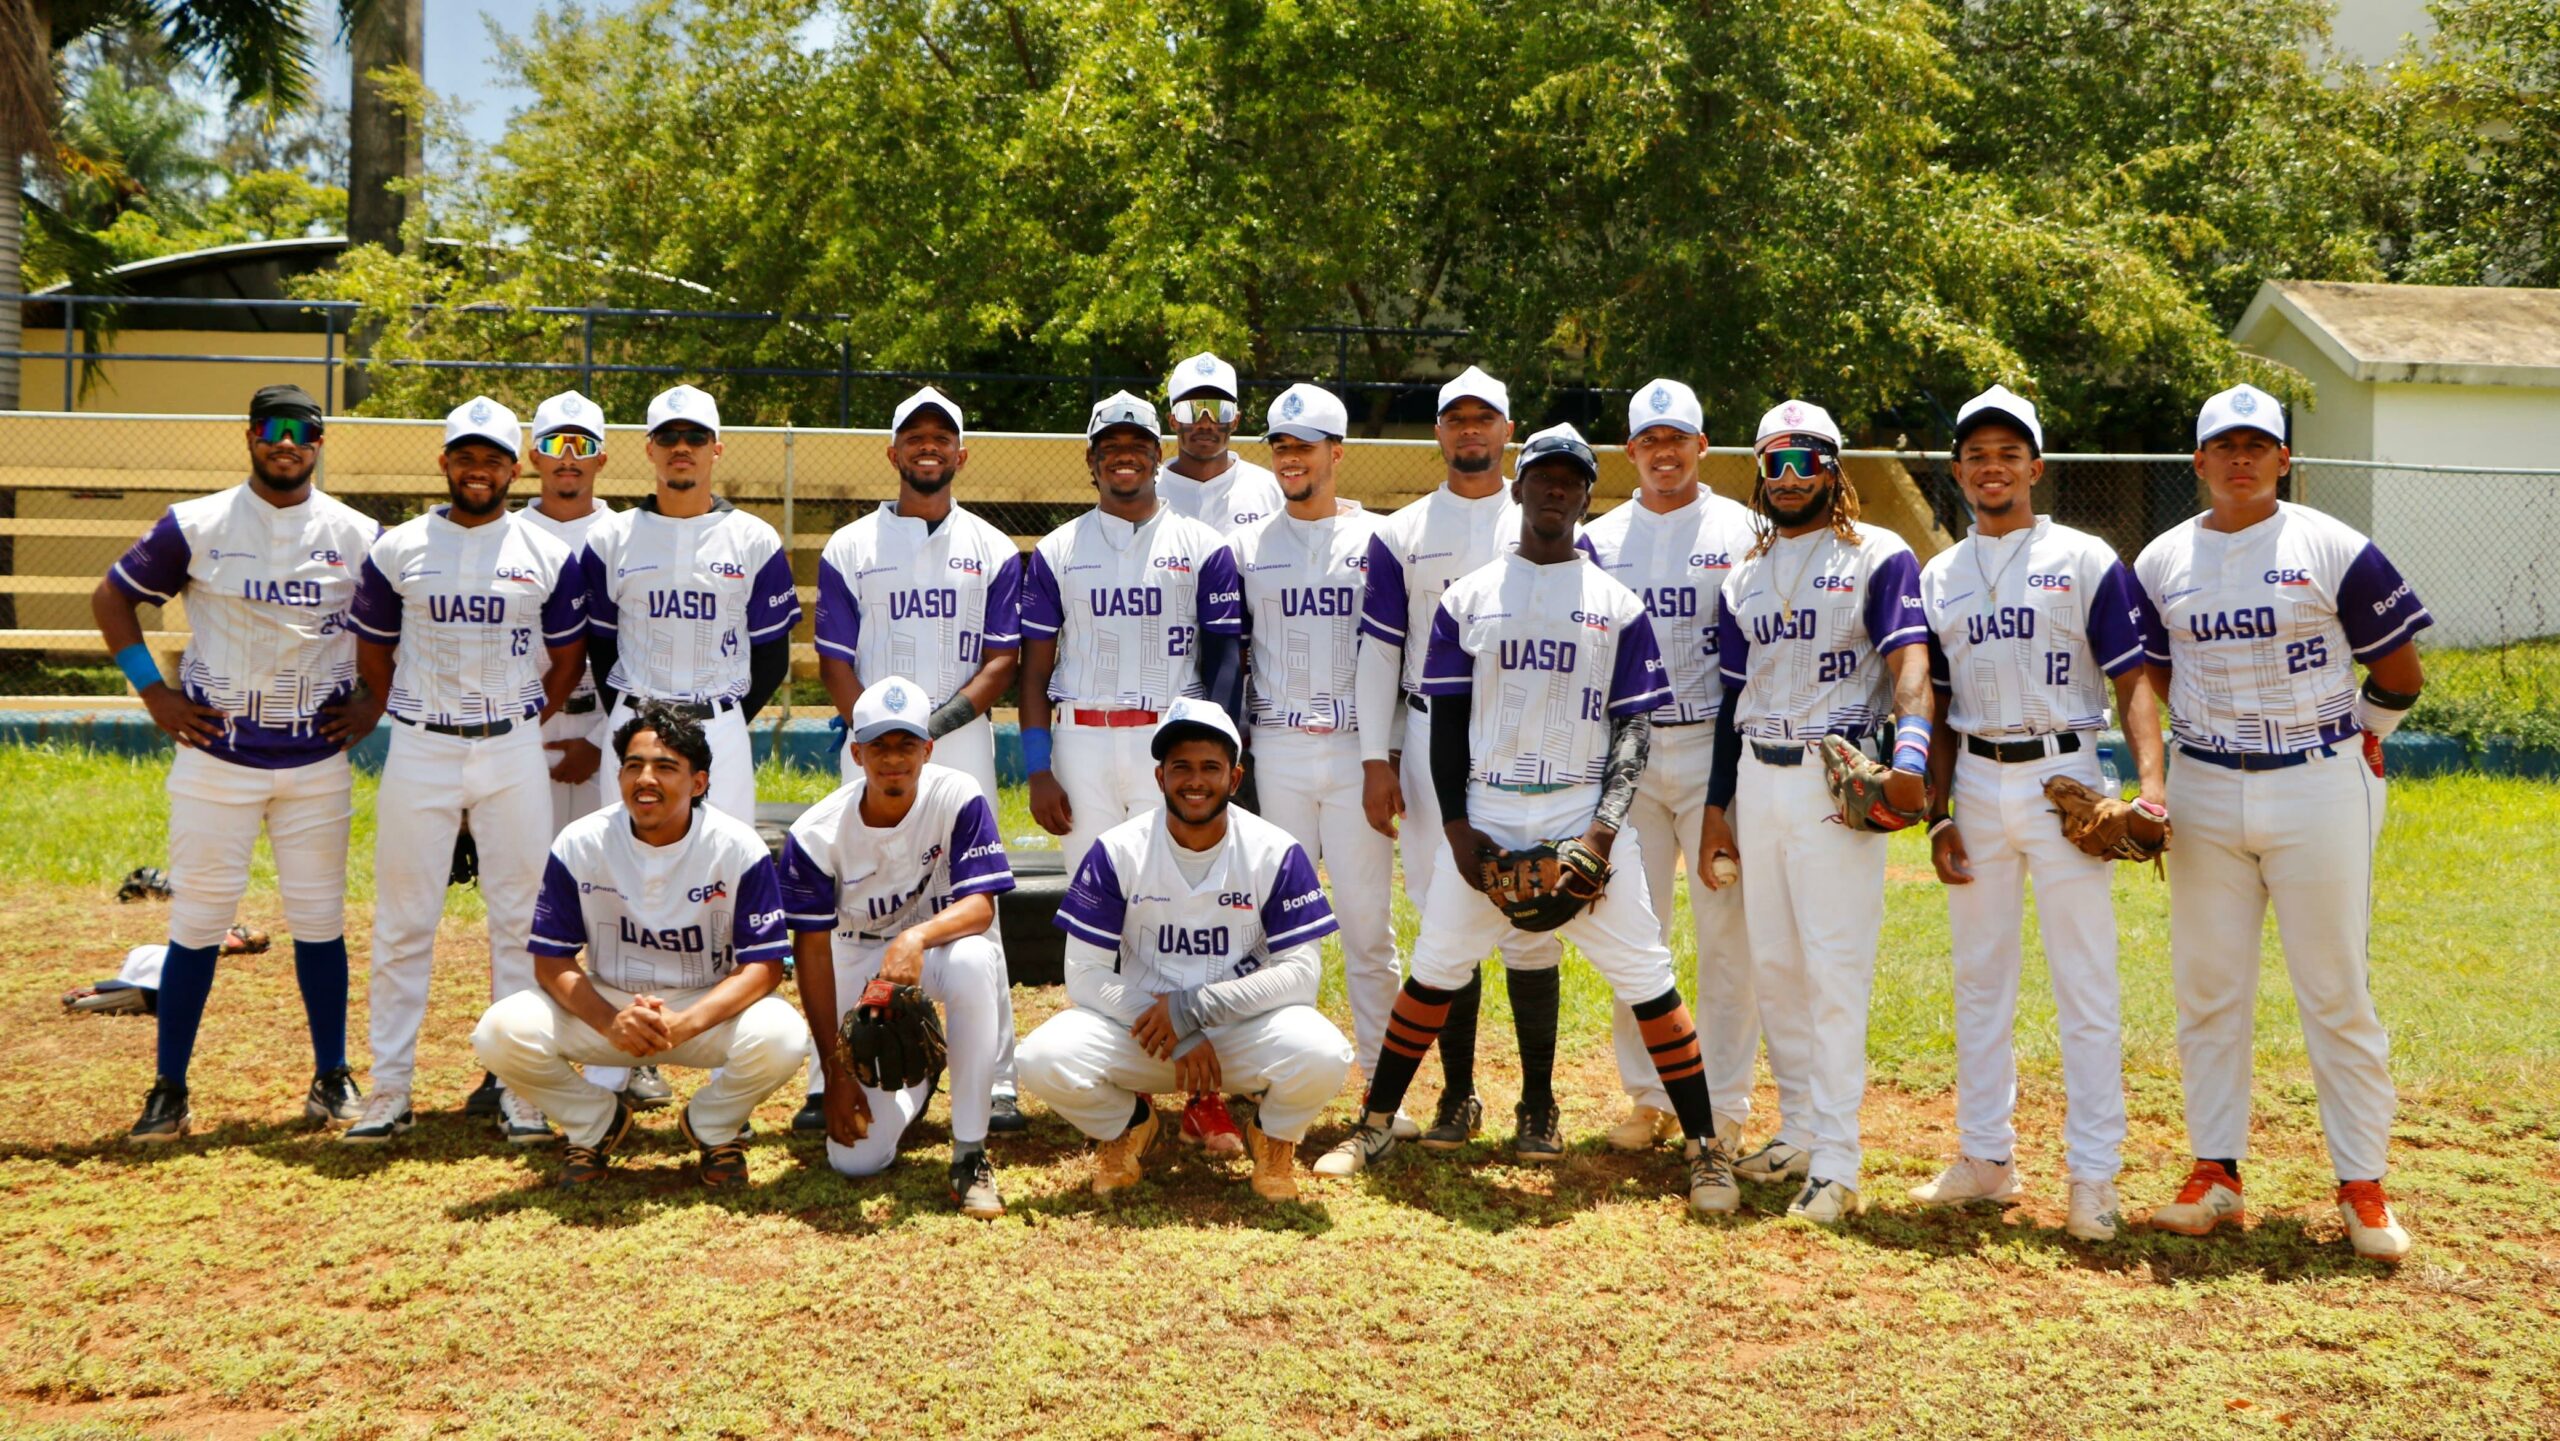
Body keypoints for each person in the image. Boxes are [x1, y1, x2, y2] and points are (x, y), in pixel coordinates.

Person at [1314, 425, 1740, 1219]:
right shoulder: (1469, 597)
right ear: (1519, 488)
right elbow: (1445, 723)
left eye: (1570, 480)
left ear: (1586, 497)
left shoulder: (1617, 604)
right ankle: (1375, 1123)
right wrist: (1457, 830)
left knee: (1647, 975)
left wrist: (1602, 833)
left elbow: (1634, 732)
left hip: (1581, 806)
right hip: (1490, 806)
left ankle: (1705, 1145)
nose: (1555, 489)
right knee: (1435, 968)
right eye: (1542, 476)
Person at [2133, 383, 2430, 1262]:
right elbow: (2149, 673)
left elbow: (2401, 672)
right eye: (2225, 446)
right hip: (2205, 782)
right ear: (2199, 461)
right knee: (2209, 986)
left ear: (2283, 459)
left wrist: (2360, 738)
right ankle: (2215, 1171)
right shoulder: (2161, 560)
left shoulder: (2331, 544)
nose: (2241, 459)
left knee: (2334, 987)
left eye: (2257, 445)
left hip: (2317, 777)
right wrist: (2171, 762)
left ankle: (2362, 1182)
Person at [92, 382, 384, 1142]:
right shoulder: (197, 523)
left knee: (320, 921)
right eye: (272, 428)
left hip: (315, 760)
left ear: (319, 443)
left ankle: (331, 1075)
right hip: (216, 757)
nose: (287, 442)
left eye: (303, 430)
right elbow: (112, 599)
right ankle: (170, 1088)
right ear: (250, 435)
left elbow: (398, 623)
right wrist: (155, 693)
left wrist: (373, 701)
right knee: (197, 922)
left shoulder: (358, 534)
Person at [1910, 385, 2165, 1241]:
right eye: (1977, 455)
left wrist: (2149, 790)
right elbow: (1937, 704)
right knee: (1980, 978)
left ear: (2036, 466)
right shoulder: (1939, 575)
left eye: (2009, 454)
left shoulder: (2085, 557)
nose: (1993, 468)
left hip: (2066, 777)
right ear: (1958, 471)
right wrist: (1938, 815)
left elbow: (2133, 679)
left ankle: (2094, 1174)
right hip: (1978, 781)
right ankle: (1987, 1157)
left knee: (2084, 983)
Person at [1697, 399, 1932, 1224]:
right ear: (1759, 472)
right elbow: (1732, 697)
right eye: (1776, 461)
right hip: (1757, 776)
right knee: (1776, 965)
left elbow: (1910, 665)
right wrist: (1717, 806)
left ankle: (1837, 1161)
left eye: (1806, 460)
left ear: (1833, 469)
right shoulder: (1743, 575)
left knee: (1834, 971)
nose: (1790, 477)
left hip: (1835, 777)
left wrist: (1910, 759)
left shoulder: (1879, 554)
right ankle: (1798, 1129)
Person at [341, 397, 590, 1146]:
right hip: (422, 746)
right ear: (445, 463)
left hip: (511, 747)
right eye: (465, 457)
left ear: (514, 470)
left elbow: (567, 658)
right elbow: (373, 650)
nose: (478, 470)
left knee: (519, 919)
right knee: (405, 919)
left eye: (493, 459)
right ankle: (390, 1087)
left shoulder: (546, 551)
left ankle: (520, 1085)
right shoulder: (398, 548)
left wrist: (523, 719)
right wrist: (413, 712)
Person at [1020, 391, 1246, 1153]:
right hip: (1082, 741)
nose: (1125, 455)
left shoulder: (1202, 543)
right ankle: (1123, 1087)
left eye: (1138, 443)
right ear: (1091, 460)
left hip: (1167, 739)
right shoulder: (1058, 549)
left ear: (1157, 454)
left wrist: (1217, 755)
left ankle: (1206, 1096)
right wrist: (1037, 766)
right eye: (1110, 445)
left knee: (1184, 913)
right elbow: (1034, 668)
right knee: (1098, 919)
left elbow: (1224, 658)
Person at [1015, 699, 1354, 1202]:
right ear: (1160, 777)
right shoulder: (1116, 850)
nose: (1195, 781)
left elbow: (1301, 973)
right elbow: (1084, 974)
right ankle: (1129, 1125)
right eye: (1181, 768)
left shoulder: (1276, 850)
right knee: (1042, 1057)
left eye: (1210, 768)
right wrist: (1174, 1029)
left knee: (1323, 1053)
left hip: (1236, 1032)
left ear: (1235, 778)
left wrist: (1193, 1008)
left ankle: (1273, 1136)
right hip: (1148, 1032)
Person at [1351, 366, 1565, 1157]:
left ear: (1509, 429)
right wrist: (1375, 758)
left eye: (1485, 417)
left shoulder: (1544, 514)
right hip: (1429, 733)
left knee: (1533, 915)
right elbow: (1381, 651)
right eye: (1456, 417)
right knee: (1448, 917)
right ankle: (1459, 1091)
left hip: (1526, 738)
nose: (1470, 429)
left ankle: (1538, 1102)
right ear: (1439, 431)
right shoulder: (1401, 530)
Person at [807, 386, 1026, 1134]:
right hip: (873, 747)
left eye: (941, 437)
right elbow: (834, 660)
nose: (927, 447)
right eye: (914, 436)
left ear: (962, 454)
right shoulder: (849, 546)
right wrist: (878, 739)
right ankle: (835, 1069)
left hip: (957, 740)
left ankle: (996, 1078)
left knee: (976, 908)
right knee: (852, 906)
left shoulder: (993, 547)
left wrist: (931, 731)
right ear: (892, 451)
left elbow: (1002, 661)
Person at [472, 703, 808, 1190]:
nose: (645, 779)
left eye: (665, 767)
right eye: (634, 766)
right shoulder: (581, 841)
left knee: (783, 1036)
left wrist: (684, 1023)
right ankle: (594, 1122)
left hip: (702, 1006)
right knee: (498, 1031)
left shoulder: (738, 846)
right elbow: (551, 960)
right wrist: (612, 1022)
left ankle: (713, 1126)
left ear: (698, 783)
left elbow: (764, 967)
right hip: (612, 1002)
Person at [1203, 382, 1409, 1132]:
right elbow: (1229, 656)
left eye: (1305, 447)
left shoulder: (1380, 540)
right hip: (1280, 750)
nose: (1291, 460)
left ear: (1337, 453)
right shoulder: (1244, 547)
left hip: (1357, 751)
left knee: (1366, 929)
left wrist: (1388, 753)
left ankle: (1385, 1092)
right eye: (1281, 448)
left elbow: (1399, 653)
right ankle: (1268, 1077)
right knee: (1267, 928)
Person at [1580, 378, 1760, 1156]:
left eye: (1677, 438)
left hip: (1716, 747)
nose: (1664, 452)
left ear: (1701, 446)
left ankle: (1723, 1104)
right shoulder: (1598, 537)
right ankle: (1649, 1095)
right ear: (1630, 450)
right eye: (1650, 440)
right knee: (1635, 927)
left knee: (1726, 934)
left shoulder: (1743, 527)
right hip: (1631, 751)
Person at [778, 678, 1017, 1217]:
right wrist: (835, 1074)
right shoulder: (815, 834)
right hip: (855, 954)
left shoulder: (958, 794)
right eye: (878, 746)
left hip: (931, 949)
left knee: (976, 958)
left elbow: (981, 907)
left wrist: (915, 937)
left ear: (927, 749)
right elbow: (812, 955)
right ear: (856, 753)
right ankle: (921, 1077)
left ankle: (970, 1151)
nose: (893, 759)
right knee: (855, 1159)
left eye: (906, 744)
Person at [515, 390, 672, 1114]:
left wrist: (597, 737)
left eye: (583, 445)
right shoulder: (509, 533)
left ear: (604, 457)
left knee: (624, 897)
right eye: (556, 444)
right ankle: (528, 1049)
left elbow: (624, 647)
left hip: (612, 735)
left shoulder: (629, 533)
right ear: (534, 456)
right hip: (525, 734)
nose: (569, 459)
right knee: (529, 901)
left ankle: (634, 1054)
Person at [578, 384, 801, 824]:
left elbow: (773, 655)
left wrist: (724, 717)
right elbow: (600, 644)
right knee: (628, 855)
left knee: (724, 858)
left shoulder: (754, 538)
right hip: (634, 722)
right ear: (650, 449)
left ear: (716, 449)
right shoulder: (609, 538)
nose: (681, 447)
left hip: (719, 727)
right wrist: (634, 715)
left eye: (695, 436)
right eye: (668, 437)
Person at [1157, 351, 1284, 535]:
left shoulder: (1270, 492)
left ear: (1235, 420)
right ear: (1173, 420)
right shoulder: (1150, 492)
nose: (1205, 423)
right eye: (1191, 410)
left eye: (1221, 410)